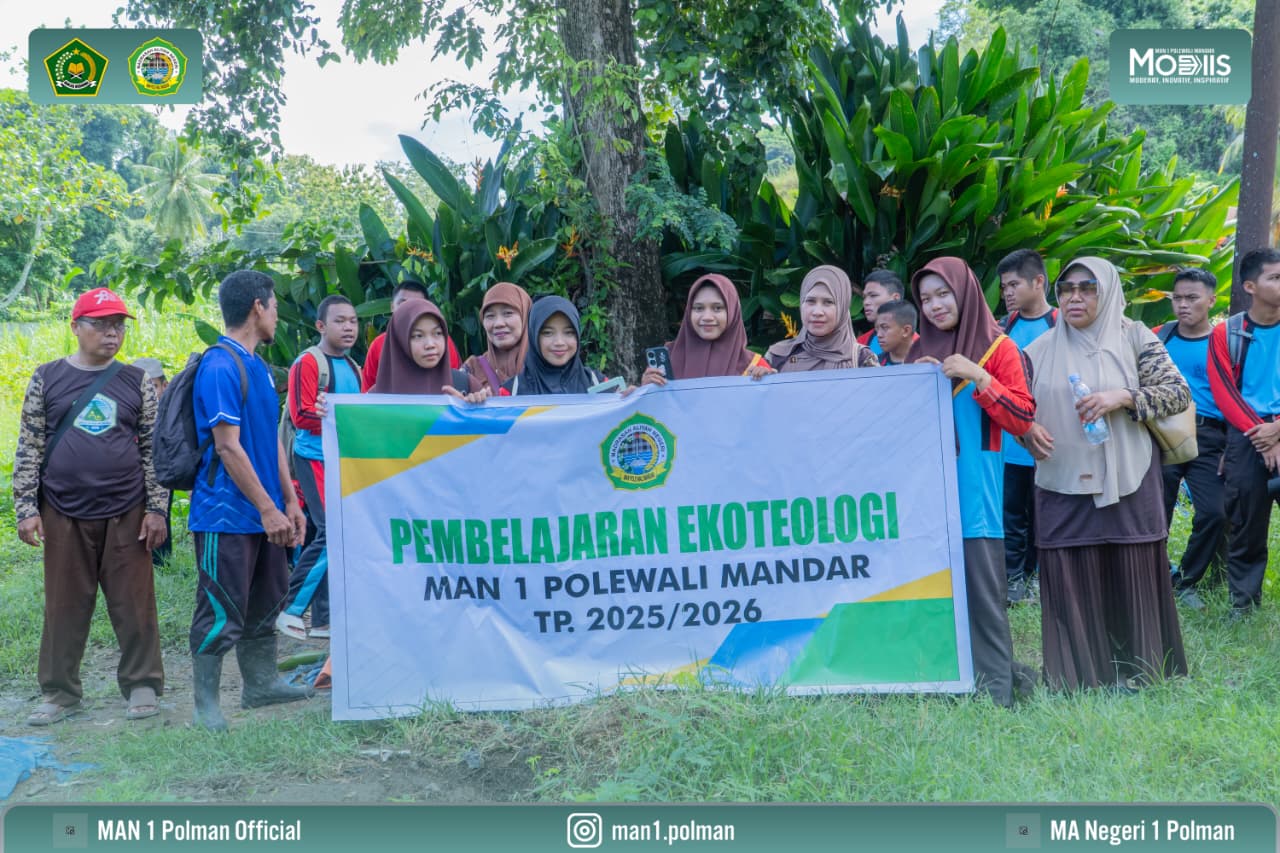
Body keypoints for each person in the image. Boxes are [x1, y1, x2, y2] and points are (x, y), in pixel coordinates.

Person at [1020, 257, 1189, 691]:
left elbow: (1177, 393)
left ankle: (1142, 671)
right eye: (1067, 288)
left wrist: (1123, 396)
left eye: (1088, 287)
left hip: (1129, 475)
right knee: (1069, 567)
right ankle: (1079, 676)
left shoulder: (1134, 337)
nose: (1075, 296)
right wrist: (1026, 429)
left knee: (1130, 564)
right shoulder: (1037, 350)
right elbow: (1015, 406)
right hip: (1060, 478)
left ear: (1108, 290)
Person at [14, 288, 168, 725]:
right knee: (64, 605)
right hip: (62, 511)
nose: (111, 333)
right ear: (75, 327)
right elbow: (30, 445)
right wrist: (26, 507)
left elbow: (154, 451)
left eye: (118, 325)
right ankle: (60, 693)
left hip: (128, 511)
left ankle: (142, 684)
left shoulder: (135, 380)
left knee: (135, 603)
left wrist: (157, 509)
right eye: (100, 324)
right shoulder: (47, 378)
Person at [188, 271, 314, 731]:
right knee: (221, 606)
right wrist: (265, 507)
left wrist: (289, 500)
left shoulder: (258, 367)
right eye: (275, 305)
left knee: (267, 601)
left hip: (266, 512)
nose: (277, 313)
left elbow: (271, 442)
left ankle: (259, 685)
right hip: (226, 514)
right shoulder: (220, 365)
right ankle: (205, 706)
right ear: (258, 307)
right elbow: (227, 447)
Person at [907, 258, 1036, 707]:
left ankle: (996, 690)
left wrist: (977, 375)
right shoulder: (921, 348)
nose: (935, 305)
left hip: (975, 491)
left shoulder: (998, 349)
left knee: (983, 598)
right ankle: (943, 683)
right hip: (925, 495)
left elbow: (1023, 416)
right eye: (926, 298)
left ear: (965, 291)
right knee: (933, 593)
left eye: (943, 293)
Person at [276, 295, 362, 641]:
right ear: (321, 326)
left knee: (330, 536)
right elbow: (300, 413)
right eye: (340, 321)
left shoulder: (353, 367)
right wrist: (341, 416)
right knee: (333, 533)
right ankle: (291, 608)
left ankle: (324, 621)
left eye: (353, 321)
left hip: (341, 461)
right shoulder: (308, 362)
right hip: (312, 458)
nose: (349, 327)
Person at [1208, 248, 1280, 618]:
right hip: (1246, 435)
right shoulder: (1228, 332)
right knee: (1246, 522)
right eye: (1275, 277)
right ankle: (1243, 604)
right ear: (1251, 286)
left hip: (1275, 427)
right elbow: (1223, 391)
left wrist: (1277, 430)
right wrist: (1261, 434)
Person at [1155, 268, 1227, 610]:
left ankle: (1186, 580)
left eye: (1192, 298)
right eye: (1177, 298)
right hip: (1163, 432)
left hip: (1211, 437)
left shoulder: (1225, 343)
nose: (1183, 305)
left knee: (1215, 512)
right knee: (1156, 512)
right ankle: (1154, 576)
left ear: (1211, 301)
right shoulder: (1160, 337)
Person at [996, 249, 1057, 604]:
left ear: (1038, 282)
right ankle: (1013, 578)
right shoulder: (1003, 327)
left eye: (1014, 284)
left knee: (1044, 513)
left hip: (1049, 439)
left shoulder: (1062, 323)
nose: (1007, 293)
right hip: (1007, 442)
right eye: (1004, 286)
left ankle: (1038, 578)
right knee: (1012, 513)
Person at [641, 274, 772, 385]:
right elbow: (651, 412)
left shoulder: (753, 366)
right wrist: (643, 392)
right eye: (698, 308)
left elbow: (772, 411)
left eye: (717, 308)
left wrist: (770, 384)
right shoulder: (666, 360)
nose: (707, 317)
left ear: (732, 312)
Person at [763, 266, 879, 373]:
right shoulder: (778, 356)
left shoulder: (862, 360)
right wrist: (762, 381)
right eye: (810, 301)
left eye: (828, 302)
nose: (817, 312)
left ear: (843, 308)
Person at [372, 298, 488, 400]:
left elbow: (489, 423)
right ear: (399, 341)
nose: (430, 344)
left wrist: (467, 411)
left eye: (437, 333)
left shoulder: (466, 385)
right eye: (418, 336)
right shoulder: (377, 396)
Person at [362, 279, 461, 391]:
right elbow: (367, 398)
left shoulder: (443, 342)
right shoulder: (378, 344)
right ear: (392, 306)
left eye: (416, 304)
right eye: (403, 303)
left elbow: (454, 380)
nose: (430, 345)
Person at [506, 296, 608, 395]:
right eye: (548, 333)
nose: (559, 342)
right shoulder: (512, 392)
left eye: (568, 332)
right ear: (534, 336)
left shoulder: (600, 385)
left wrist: (623, 399)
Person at [133, 357, 174, 568]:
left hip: (163, 472)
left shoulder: (170, 413)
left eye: (153, 386)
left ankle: (162, 560)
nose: (147, 392)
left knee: (161, 513)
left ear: (164, 386)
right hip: (134, 473)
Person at [464, 282, 532, 394]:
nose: (498, 324)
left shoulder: (544, 366)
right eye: (490, 316)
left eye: (508, 313)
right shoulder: (472, 369)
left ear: (525, 316)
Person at [856, 269, 907, 358]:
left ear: (895, 298)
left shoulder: (916, 343)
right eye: (864, 297)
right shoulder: (859, 344)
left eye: (873, 295)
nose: (866, 302)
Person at [873, 300, 917, 366]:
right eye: (877, 328)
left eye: (885, 327)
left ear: (906, 331)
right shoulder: (875, 365)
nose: (878, 335)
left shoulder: (928, 361)